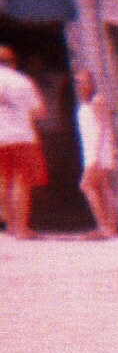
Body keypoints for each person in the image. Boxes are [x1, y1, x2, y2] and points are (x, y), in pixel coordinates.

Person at [0, 45, 49, 241]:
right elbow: (40, 111)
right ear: (13, 62)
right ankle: (22, 229)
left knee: (3, 181)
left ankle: (10, 226)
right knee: (21, 181)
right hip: (22, 136)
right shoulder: (22, 81)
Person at [73, 70, 118, 238]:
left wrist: (98, 154)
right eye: (77, 82)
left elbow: (103, 127)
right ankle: (110, 227)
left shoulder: (97, 100)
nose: (79, 85)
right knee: (103, 187)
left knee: (85, 185)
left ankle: (103, 226)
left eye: (83, 82)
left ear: (91, 84)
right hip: (91, 150)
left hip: (98, 151)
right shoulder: (84, 104)